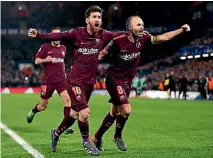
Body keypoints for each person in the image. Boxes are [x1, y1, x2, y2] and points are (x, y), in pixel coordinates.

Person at [28, 5, 125, 156]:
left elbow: (118, 34)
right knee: (85, 113)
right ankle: (86, 142)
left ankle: (56, 133)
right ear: (87, 20)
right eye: (94, 17)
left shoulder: (103, 35)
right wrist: (39, 35)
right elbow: (56, 36)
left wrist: (133, 32)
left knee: (74, 114)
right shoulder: (77, 33)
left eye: (99, 17)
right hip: (75, 80)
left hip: (90, 82)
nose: (97, 19)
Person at [91, 15, 190, 151]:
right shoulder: (118, 40)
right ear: (130, 27)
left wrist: (181, 30)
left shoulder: (144, 38)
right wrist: (83, 65)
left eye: (142, 24)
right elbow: (101, 54)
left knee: (114, 113)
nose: (142, 27)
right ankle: (117, 136)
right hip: (114, 79)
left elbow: (163, 37)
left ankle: (96, 137)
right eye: (138, 25)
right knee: (126, 111)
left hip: (127, 82)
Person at [26, 27, 74, 133]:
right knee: (43, 106)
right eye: (55, 35)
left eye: (59, 35)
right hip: (48, 81)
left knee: (67, 100)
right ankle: (33, 111)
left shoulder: (63, 48)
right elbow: (36, 61)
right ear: (51, 36)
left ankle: (66, 125)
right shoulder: (45, 47)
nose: (57, 37)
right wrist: (45, 60)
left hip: (61, 80)